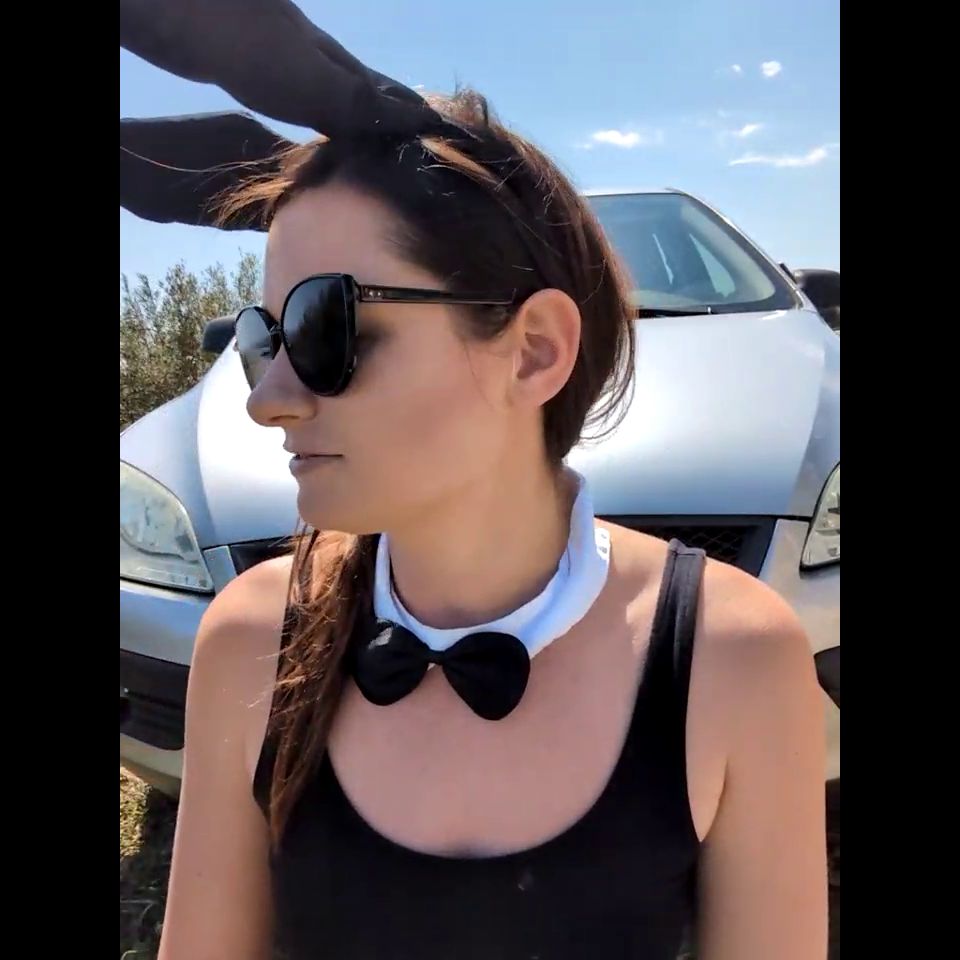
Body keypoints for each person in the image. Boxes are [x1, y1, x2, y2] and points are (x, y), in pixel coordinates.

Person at [155, 89, 827, 960]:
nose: (267, 398)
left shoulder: (733, 659)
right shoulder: (252, 641)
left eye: (327, 324)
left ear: (535, 349)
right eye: (265, 339)